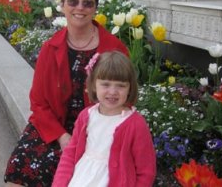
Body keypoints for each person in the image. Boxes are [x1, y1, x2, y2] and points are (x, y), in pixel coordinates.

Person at [4, 0, 129, 186]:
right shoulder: (50, 49)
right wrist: (62, 137)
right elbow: (38, 103)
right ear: (62, 5)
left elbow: (126, 96)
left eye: (87, 3)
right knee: (19, 167)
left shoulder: (114, 49)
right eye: (73, 1)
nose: (80, 7)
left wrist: (94, 135)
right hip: (55, 126)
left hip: (99, 128)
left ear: (95, 9)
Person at [52, 51, 156, 187]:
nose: (112, 91)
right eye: (106, 84)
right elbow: (70, 154)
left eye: (120, 85)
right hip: (82, 178)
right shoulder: (86, 116)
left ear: (130, 88)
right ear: (94, 85)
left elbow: (146, 171)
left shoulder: (135, 124)